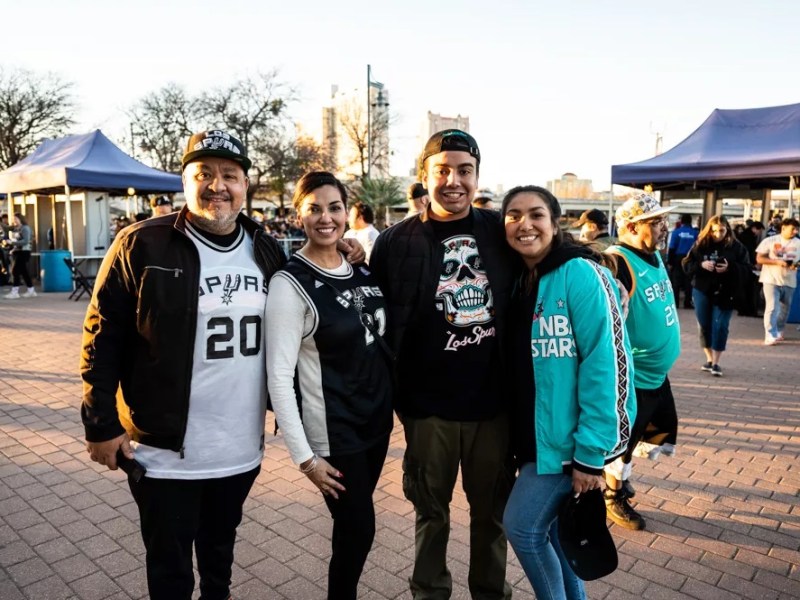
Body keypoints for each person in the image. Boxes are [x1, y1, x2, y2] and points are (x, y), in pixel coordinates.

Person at [80, 129, 363, 600]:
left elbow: (313, 284)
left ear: (245, 185)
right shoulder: (142, 243)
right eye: (204, 174)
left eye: (229, 175)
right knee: (170, 573)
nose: (217, 186)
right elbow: (101, 335)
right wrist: (100, 423)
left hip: (239, 450)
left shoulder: (265, 247)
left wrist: (346, 251)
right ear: (184, 181)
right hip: (165, 453)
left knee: (219, 560)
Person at [371, 129, 516, 599]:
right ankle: (429, 592)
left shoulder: (501, 232)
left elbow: (551, 253)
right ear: (424, 176)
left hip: (493, 406)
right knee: (431, 512)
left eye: (465, 170)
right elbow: (371, 314)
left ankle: (490, 592)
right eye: (443, 170)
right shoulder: (394, 242)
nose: (454, 181)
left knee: (491, 513)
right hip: (426, 407)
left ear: (477, 176)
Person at [500, 185, 636, 600]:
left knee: (522, 527)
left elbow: (606, 364)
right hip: (538, 441)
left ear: (555, 222)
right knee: (558, 539)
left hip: (569, 445)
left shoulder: (579, 272)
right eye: (514, 216)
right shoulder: (523, 278)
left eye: (536, 214)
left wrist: (591, 454)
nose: (525, 225)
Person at [265, 171, 393, 600]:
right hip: (334, 433)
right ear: (299, 215)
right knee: (360, 527)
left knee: (350, 527)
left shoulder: (356, 265)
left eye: (334, 207)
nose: (326, 217)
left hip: (375, 425)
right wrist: (304, 458)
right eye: (314, 208)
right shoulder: (289, 284)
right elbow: (279, 376)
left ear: (346, 211)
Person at [603, 194, 681, 531]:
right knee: (621, 441)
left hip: (656, 375)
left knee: (644, 436)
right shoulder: (617, 261)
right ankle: (611, 495)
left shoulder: (652, 254)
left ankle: (618, 479)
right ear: (632, 226)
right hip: (632, 379)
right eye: (655, 222)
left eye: (663, 221)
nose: (664, 227)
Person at [682, 215, 751, 377]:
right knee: (704, 325)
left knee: (720, 325)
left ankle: (716, 362)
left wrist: (730, 267)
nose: (718, 234)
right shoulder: (700, 244)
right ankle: (709, 359)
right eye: (714, 231)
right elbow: (686, 263)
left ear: (727, 229)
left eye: (721, 230)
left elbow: (747, 269)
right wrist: (701, 265)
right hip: (702, 289)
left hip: (726, 292)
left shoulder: (737, 247)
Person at [756, 217, 800, 345]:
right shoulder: (770, 241)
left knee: (785, 308)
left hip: (789, 280)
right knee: (772, 306)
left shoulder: (798, 243)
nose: (795, 232)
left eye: (797, 229)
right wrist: (776, 262)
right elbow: (759, 258)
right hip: (770, 279)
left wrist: (795, 265)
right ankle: (770, 334)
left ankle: (779, 329)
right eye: (793, 229)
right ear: (783, 228)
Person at [667, 214, 698, 308]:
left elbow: (672, 248)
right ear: (690, 221)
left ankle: (675, 303)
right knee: (688, 281)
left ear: (682, 221)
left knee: (676, 282)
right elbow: (698, 247)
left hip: (678, 258)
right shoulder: (695, 233)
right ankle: (687, 303)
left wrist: (670, 262)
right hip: (691, 258)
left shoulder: (676, 232)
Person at [3, 213, 36, 299]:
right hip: (18, 251)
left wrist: (12, 243)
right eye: (14, 219)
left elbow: (25, 241)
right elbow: (6, 228)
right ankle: (31, 290)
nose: (14, 221)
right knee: (24, 271)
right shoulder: (16, 228)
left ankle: (15, 292)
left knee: (15, 271)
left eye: (16, 219)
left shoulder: (25, 228)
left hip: (24, 252)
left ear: (20, 219)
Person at [737, 221, 765, 317]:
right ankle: (749, 309)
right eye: (759, 230)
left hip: (742, 266)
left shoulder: (743, 236)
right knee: (750, 289)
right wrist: (754, 264)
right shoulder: (749, 238)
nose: (759, 233)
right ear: (754, 228)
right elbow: (749, 252)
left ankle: (743, 309)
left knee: (744, 288)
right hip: (747, 266)